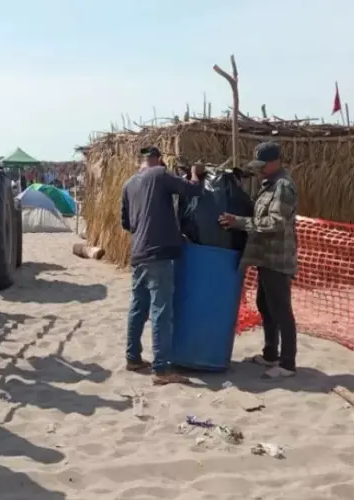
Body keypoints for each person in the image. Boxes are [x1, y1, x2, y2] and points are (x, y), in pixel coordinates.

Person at [121, 147, 203, 385]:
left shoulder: (128, 185)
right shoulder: (160, 174)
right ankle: (162, 369)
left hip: (138, 255)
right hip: (160, 254)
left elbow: (126, 223)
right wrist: (196, 173)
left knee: (138, 306)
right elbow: (193, 190)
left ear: (141, 161)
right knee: (161, 311)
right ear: (158, 160)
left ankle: (133, 358)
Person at [219, 141, 298, 379]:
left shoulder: (283, 186)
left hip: (277, 258)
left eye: (263, 166)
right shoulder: (269, 185)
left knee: (281, 310)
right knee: (265, 306)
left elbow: (275, 223)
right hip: (265, 257)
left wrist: (241, 222)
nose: (260, 170)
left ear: (276, 162)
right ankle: (271, 354)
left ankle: (287, 364)